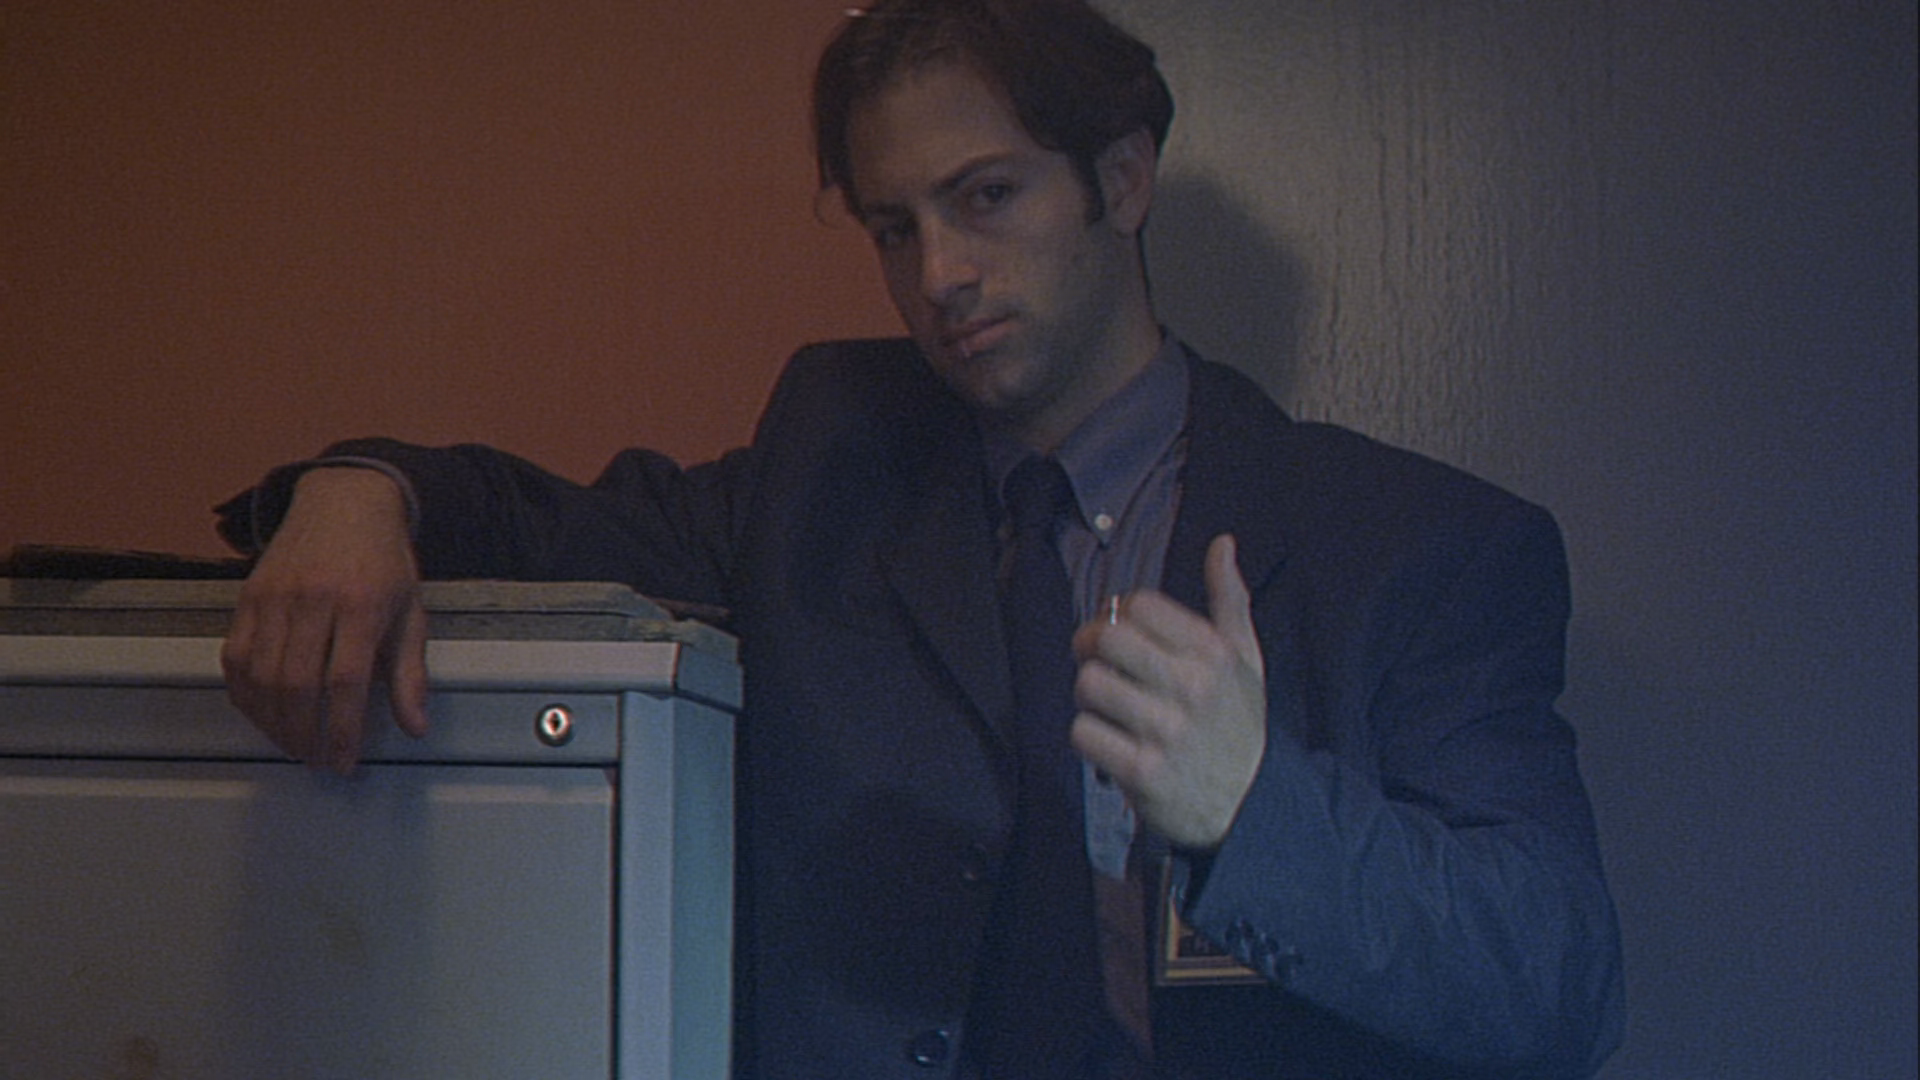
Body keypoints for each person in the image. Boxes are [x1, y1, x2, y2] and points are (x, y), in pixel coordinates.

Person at [216, 0, 1624, 1076]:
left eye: (986, 197)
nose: (940, 274)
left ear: (1123, 179)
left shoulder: (1417, 547)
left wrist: (1256, 809)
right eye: (895, 229)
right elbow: (545, 527)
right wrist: (364, 489)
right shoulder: (826, 467)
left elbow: (1560, 985)